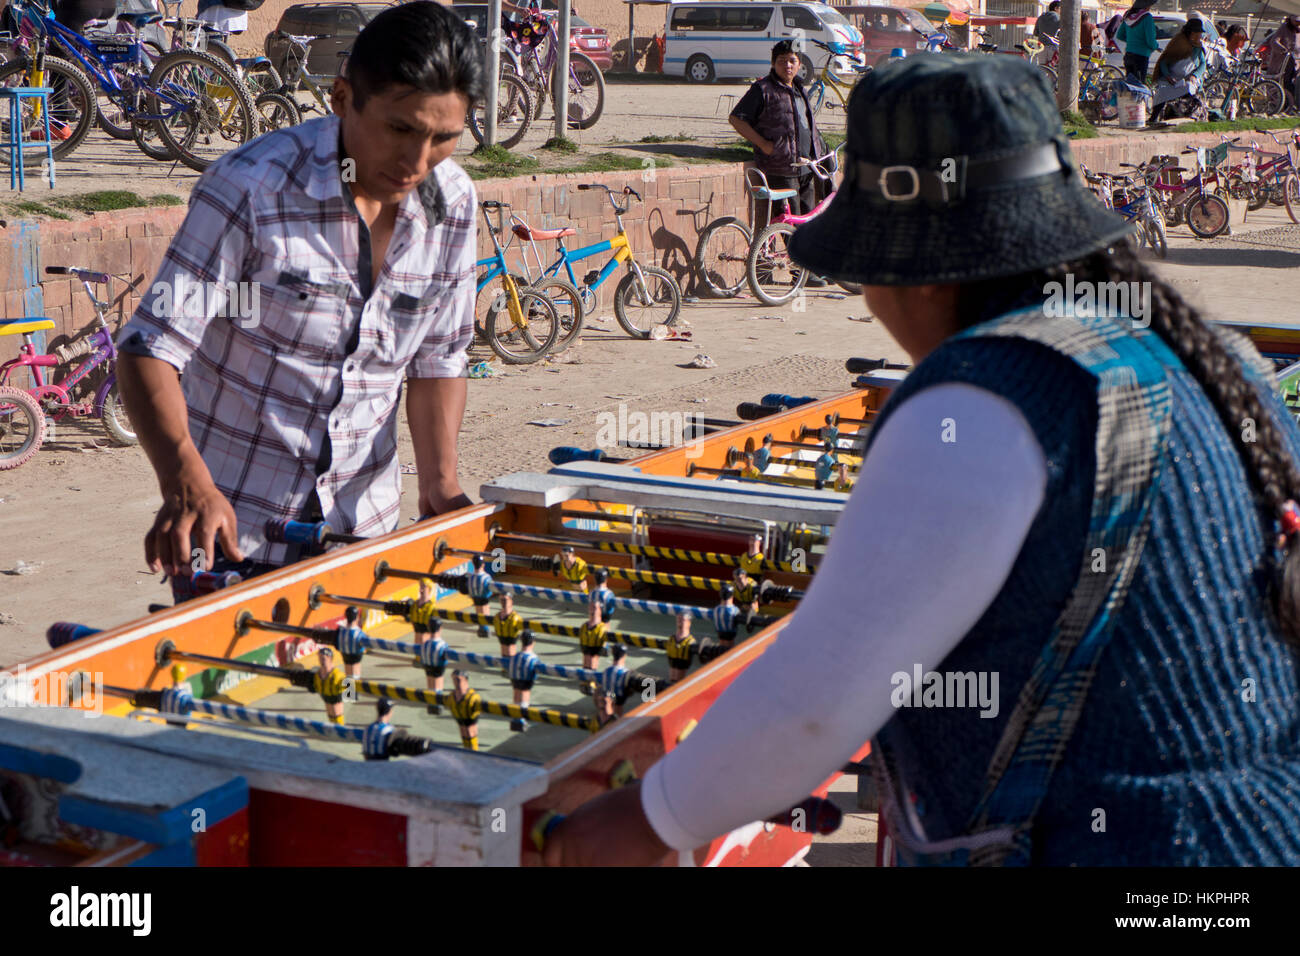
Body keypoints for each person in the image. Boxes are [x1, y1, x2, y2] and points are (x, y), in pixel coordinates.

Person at [539, 54, 1300, 867]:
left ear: (920, 271)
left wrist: (650, 818)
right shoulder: (1215, 361)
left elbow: (814, 701)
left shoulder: (985, 395)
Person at [116, 3, 484, 599]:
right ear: (342, 99)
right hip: (234, 536)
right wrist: (184, 478)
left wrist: (440, 487)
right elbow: (148, 346)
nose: (417, 163)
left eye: (443, 138)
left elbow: (439, 358)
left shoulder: (453, 203)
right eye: (401, 130)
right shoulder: (249, 187)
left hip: (362, 539)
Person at [728, 40, 829, 261]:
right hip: (780, 169)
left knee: (807, 222)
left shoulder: (800, 89)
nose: (788, 66)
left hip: (805, 169)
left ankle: (805, 270)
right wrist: (764, 144)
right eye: (782, 62)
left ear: (799, 63)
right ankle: (801, 271)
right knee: (789, 224)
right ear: (773, 64)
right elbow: (736, 119)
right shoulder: (762, 89)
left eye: (792, 61)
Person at [1150, 19, 1209, 122]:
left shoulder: (1198, 48)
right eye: (1197, 33)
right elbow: (1164, 62)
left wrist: (1195, 75)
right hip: (1172, 78)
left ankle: (1187, 115)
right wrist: (1168, 76)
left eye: (1200, 33)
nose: (1199, 36)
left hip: (1189, 79)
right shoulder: (1178, 43)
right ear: (1190, 33)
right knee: (1162, 92)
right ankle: (1153, 117)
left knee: (1189, 88)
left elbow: (1203, 64)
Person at [1262, 15, 1300, 105]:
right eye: (1296, 22)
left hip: (1296, 61)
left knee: (1295, 82)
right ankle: (1281, 104)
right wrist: (1283, 50)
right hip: (1283, 61)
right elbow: (1274, 41)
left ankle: (1293, 104)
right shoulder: (1284, 28)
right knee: (1283, 81)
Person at [1117, 0, 1158, 82]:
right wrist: (1155, 46)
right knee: (1139, 87)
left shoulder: (1128, 16)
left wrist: (1131, 41)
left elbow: (1120, 35)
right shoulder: (1147, 17)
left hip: (1128, 55)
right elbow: (1150, 41)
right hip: (1141, 57)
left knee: (1130, 86)